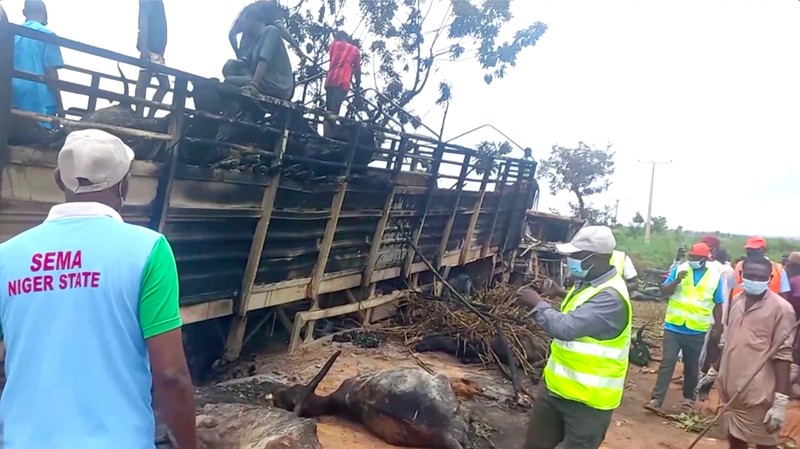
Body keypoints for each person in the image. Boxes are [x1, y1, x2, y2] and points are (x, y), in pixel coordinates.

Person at [0, 129, 198, 449]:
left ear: (58, 180)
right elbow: (171, 375)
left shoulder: (6, 257)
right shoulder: (148, 250)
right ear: (124, 185)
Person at [516, 225, 631, 449]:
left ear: (597, 257)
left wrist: (536, 302)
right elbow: (582, 313)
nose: (570, 260)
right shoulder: (589, 284)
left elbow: (565, 328)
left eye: (575, 256)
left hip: (588, 404)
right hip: (556, 391)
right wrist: (560, 292)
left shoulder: (611, 297)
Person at [696, 256, 795, 449]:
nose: (756, 281)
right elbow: (729, 342)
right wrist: (711, 374)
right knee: (735, 439)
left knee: (764, 443)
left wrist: (780, 401)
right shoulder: (737, 301)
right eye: (751, 276)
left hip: (758, 394)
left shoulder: (782, 309)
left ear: (769, 277)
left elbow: (783, 356)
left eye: (761, 277)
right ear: (741, 275)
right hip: (731, 390)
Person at [645, 242, 724, 412]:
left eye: (696, 258)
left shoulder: (714, 276)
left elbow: (718, 303)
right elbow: (664, 290)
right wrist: (677, 280)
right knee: (668, 361)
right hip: (673, 326)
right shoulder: (680, 269)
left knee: (692, 365)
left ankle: (689, 399)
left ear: (705, 259)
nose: (692, 260)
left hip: (696, 329)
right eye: (691, 257)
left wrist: (719, 326)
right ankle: (656, 400)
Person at [223, 5, 294, 101]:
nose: (244, 27)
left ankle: (232, 109)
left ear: (254, 18)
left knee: (229, 82)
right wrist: (231, 64)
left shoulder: (271, 31)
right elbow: (246, 61)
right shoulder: (255, 41)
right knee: (230, 68)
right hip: (263, 80)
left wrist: (254, 84)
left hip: (276, 84)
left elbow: (264, 60)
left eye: (245, 22)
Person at [11, 0, 64, 127]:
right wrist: (60, 105)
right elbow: (51, 73)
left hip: (12, 95)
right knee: (43, 135)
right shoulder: (48, 35)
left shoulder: (12, 34)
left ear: (24, 13)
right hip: (39, 100)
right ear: (45, 13)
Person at [228, 0, 308, 62]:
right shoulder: (270, 8)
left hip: (245, 56)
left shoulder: (249, 9)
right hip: (263, 56)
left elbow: (232, 35)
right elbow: (280, 28)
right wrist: (298, 48)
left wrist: (238, 54)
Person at [135, 0, 170, 118]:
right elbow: (143, 21)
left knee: (147, 80)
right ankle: (141, 116)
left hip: (156, 51)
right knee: (162, 84)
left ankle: (144, 116)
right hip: (151, 50)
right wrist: (145, 49)